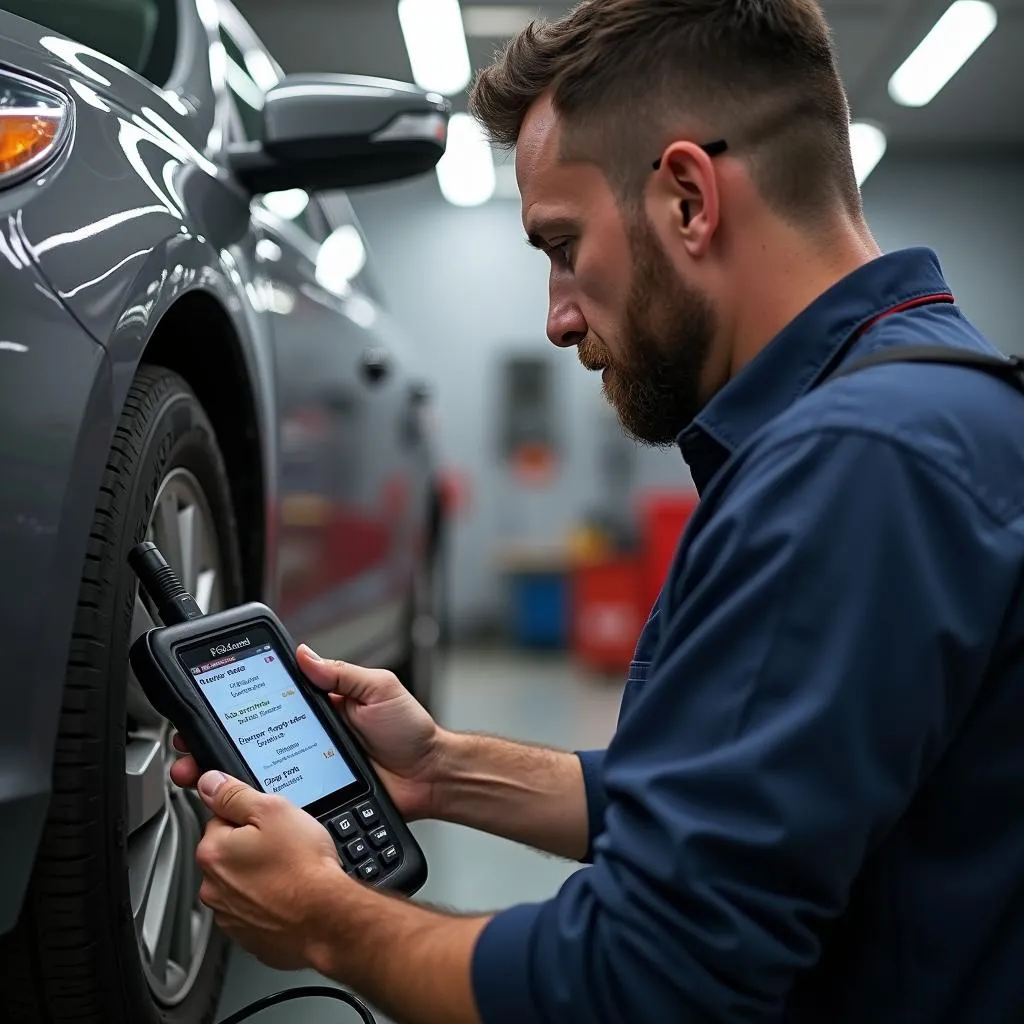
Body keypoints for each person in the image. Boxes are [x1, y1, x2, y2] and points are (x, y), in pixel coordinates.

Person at [170, 1, 1024, 1021]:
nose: (557, 313)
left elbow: (638, 983)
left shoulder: (852, 465)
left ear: (687, 199)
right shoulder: (937, 402)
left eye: (562, 245)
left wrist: (326, 917)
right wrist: (443, 769)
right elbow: (739, 804)